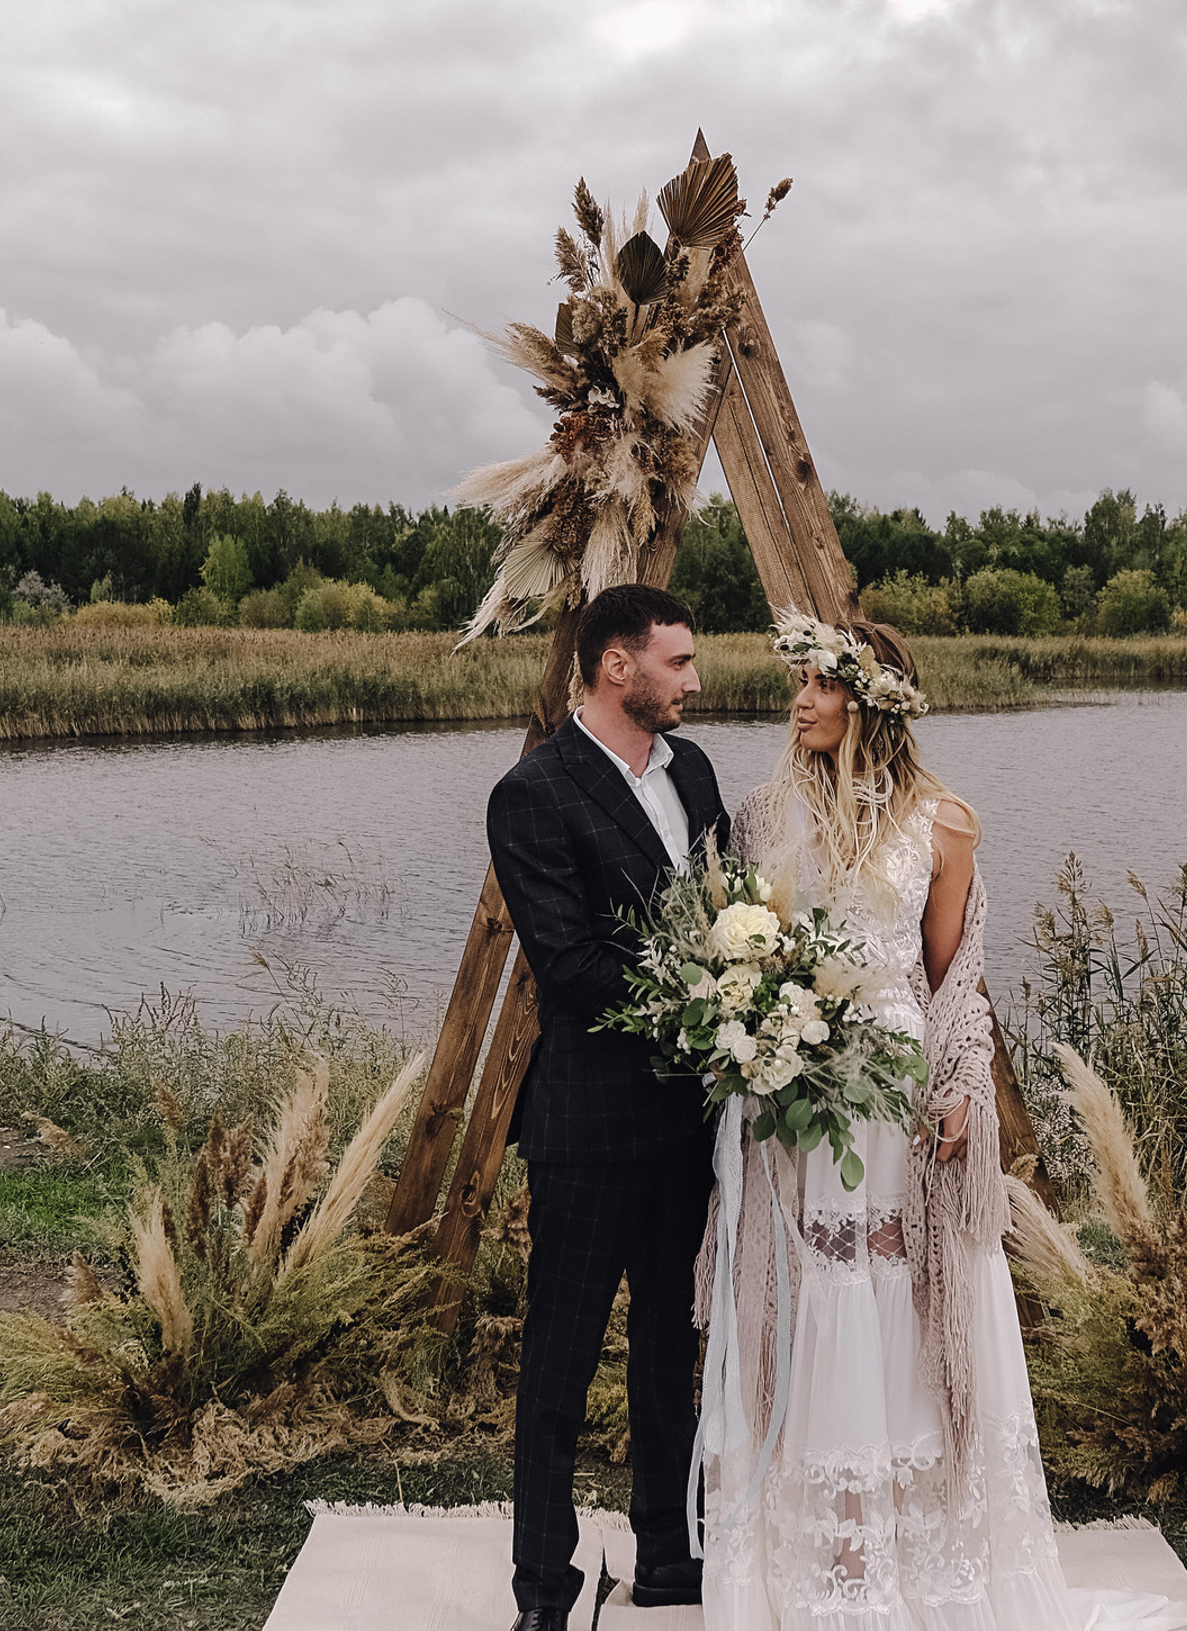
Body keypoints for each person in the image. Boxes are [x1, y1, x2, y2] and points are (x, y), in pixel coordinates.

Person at [698, 614, 1187, 1631]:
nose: (798, 700)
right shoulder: (762, 815)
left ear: (873, 698)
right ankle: (833, 1555)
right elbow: (747, 953)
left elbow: (955, 977)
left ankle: (922, 1548)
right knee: (813, 1291)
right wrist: (753, 1032)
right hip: (798, 1093)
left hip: (898, 1089)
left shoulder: (944, 821)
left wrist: (965, 1081)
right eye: (795, 684)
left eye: (818, 685)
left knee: (904, 1293)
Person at [488, 583, 731, 1631]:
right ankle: (543, 1586)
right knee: (559, 1360)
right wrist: (711, 984)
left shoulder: (696, 771)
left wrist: (749, 979)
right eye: (675, 663)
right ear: (615, 667)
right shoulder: (533, 794)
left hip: (687, 1122)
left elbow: (734, 905)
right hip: (588, 1131)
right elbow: (575, 967)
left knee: (668, 1344)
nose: (692, 679)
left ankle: (668, 1555)